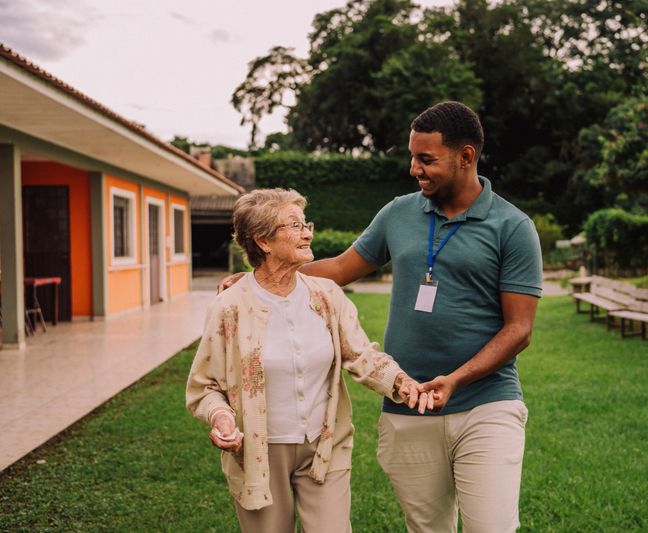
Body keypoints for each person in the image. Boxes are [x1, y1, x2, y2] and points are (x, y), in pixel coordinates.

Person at [220, 101, 542, 532]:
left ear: (466, 157)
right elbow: (339, 269)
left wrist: (455, 380)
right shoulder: (399, 213)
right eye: (412, 156)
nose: (414, 168)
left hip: (486, 404)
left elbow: (519, 330)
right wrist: (260, 275)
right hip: (407, 407)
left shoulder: (512, 227)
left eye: (426, 159)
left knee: (491, 527)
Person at [186, 188, 431, 533]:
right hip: (260, 451)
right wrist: (221, 416)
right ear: (263, 241)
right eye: (294, 226)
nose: (307, 233)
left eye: (305, 223)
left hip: (324, 444)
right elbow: (205, 386)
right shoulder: (230, 307)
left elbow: (361, 353)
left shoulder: (326, 295)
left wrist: (400, 382)